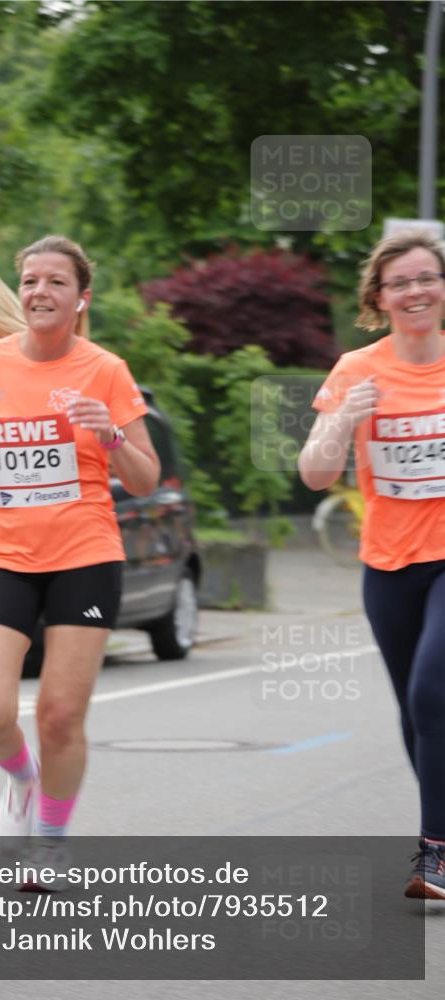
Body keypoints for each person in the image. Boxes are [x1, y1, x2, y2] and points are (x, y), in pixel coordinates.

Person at [0, 235, 160, 853]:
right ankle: (22, 781)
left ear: (81, 299)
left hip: (85, 556)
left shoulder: (105, 370)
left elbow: (145, 480)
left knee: (60, 717)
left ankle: (52, 840)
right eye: (31, 281)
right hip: (4, 554)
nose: (40, 291)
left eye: (56, 282)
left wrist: (113, 436)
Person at [298, 228, 445, 900]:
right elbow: (314, 474)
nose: (415, 291)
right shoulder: (357, 370)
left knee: (429, 692)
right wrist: (339, 421)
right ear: (378, 299)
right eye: (400, 283)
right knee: (412, 713)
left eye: (425, 278)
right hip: (387, 563)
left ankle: (433, 855)